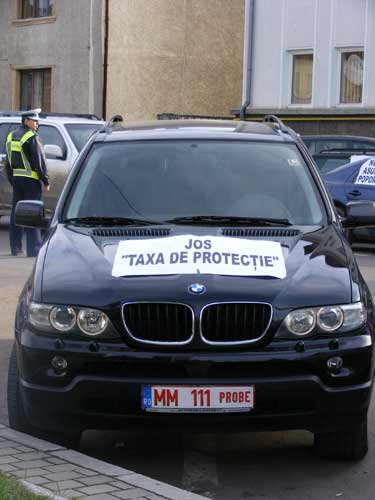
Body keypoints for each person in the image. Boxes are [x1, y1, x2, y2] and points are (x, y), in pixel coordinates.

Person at [5, 109, 50, 257]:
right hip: (31, 181)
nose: (37, 123)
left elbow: (8, 164)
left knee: (16, 214)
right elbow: (39, 161)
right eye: (34, 120)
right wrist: (45, 180)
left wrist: (13, 180)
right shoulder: (31, 137)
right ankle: (33, 250)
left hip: (17, 180)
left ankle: (16, 248)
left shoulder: (11, 136)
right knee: (33, 214)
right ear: (26, 121)